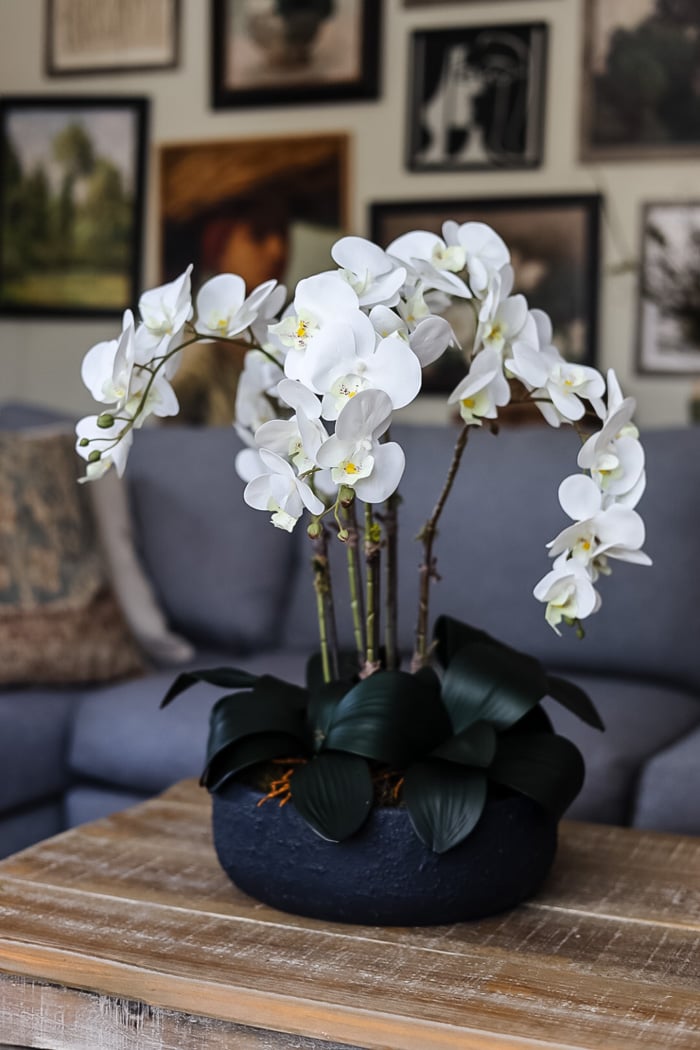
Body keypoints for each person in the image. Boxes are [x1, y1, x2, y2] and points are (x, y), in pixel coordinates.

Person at [165, 191, 290, 425]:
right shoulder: (192, 340)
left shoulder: (294, 327)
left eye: (283, 236)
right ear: (219, 245)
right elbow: (168, 426)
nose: (278, 250)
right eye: (258, 235)